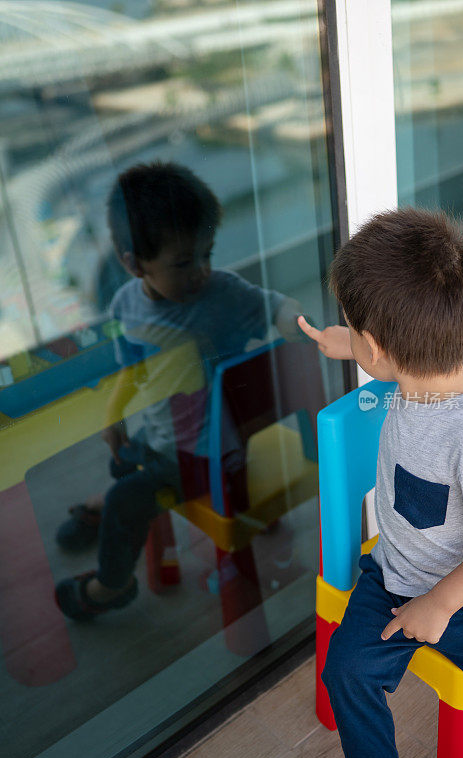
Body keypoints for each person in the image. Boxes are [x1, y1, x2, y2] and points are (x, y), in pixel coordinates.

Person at [298, 207, 463, 758]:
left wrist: (442, 603)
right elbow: (385, 354)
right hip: (394, 579)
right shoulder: (418, 374)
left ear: (380, 348)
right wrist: (344, 343)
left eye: (353, 331)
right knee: (346, 671)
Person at [55, 161, 303, 620]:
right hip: (162, 440)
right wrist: (114, 418)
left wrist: (294, 321)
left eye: (206, 253)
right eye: (184, 261)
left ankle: (111, 586)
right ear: (134, 264)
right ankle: (104, 507)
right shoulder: (125, 305)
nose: (202, 271)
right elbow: (129, 373)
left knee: (125, 496)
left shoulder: (223, 294)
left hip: (210, 459)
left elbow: (276, 306)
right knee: (122, 459)